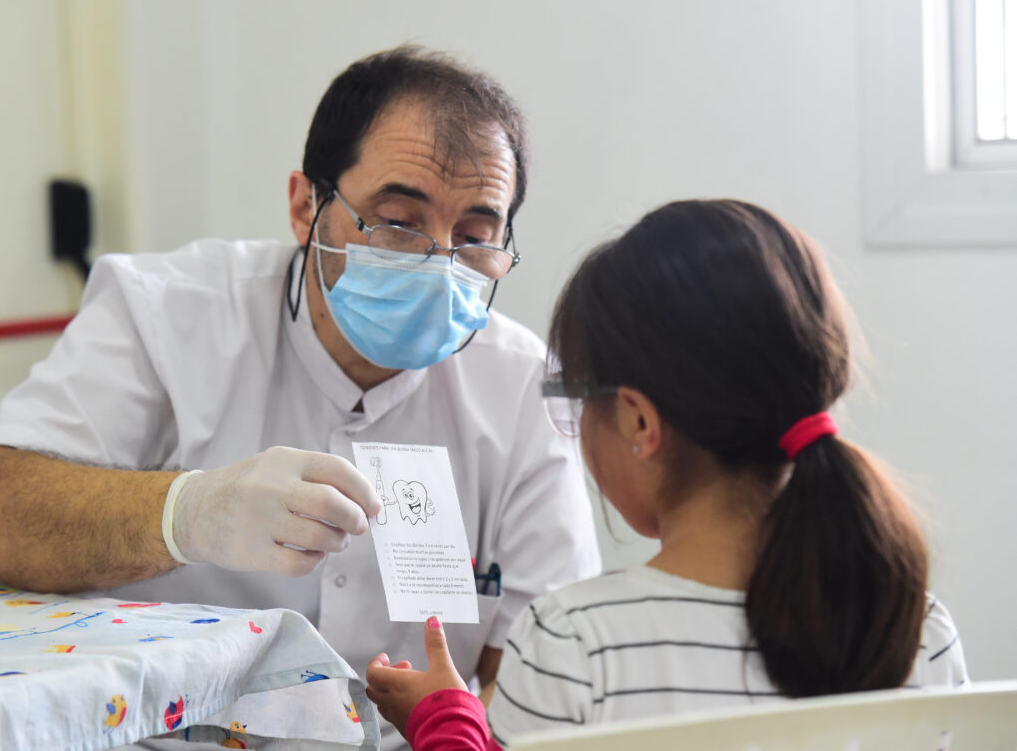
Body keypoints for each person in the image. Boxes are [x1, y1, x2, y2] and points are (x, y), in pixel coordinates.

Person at [0, 46, 601, 749]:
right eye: (399, 221)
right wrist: (188, 513)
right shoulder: (166, 314)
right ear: (305, 205)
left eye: (473, 238)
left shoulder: (522, 389)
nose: (438, 264)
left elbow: (549, 674)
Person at [364, 199, 968, 750]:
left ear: (638, 422)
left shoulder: (573, 642)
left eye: (576, 399)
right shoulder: (916, 629)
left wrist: (444, 721)